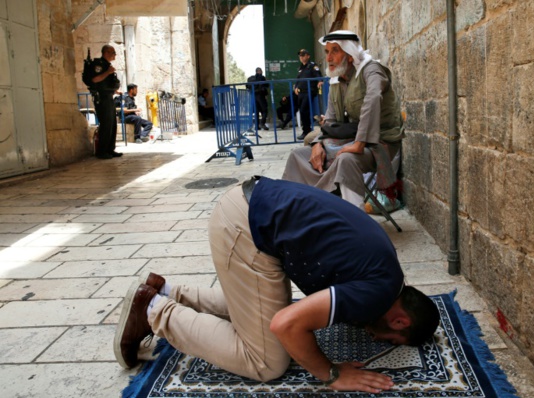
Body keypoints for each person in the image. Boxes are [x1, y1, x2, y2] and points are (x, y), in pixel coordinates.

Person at [114, 176, 440, 393]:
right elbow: (286, 325)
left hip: (252, 210)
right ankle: (155, 309)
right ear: (400, 321)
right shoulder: (376, 294)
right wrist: (332, 374)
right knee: (267, 361)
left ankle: (169, 291)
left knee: (262, 315)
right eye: (390, 339)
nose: (375, 339)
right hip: (245, 227)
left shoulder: (390, 275)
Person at [282, 31, 404, 209]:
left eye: (335, 51)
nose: (329, 57)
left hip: (380, 143)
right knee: (298, 156)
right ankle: (299, 211)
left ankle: (355, 222)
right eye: (327, 52)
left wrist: (360, 142)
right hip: (352, 140)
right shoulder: (335, 82)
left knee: (346, 160)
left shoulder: (371, 70)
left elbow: (373, 100)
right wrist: (318, 143)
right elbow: (330, 120)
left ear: (349, 54)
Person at [90, 44, 122, 159]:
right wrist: (108, 72)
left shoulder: (106, 65)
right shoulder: (99, 65)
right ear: (106, 53)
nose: (115, 55)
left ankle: (110, 149)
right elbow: (95, 79)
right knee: (106, 124)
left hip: (108, 96)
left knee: (112, 124)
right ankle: (102, 151)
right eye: (113, 52)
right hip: (101, 98)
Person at [294, 49, 323, 140]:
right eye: (300, 55)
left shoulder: (312, 66)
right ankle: (306, 130)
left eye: (303, 55)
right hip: (301, 93)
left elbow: (318, 75)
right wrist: (295, 87)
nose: (301, 57)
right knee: (302, 111)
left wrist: (320, 81)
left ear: (308, 56)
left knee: (304, 111)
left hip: (309, 91)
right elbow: (298, 79)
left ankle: (306, 131)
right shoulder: (300, 68)